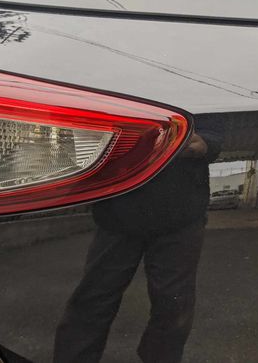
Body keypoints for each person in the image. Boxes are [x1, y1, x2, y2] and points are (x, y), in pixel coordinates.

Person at [54, 115, 224, 363]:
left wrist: (205, 142)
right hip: (119, 210)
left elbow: (216, 127)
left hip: (180, 213)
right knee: (95, 296)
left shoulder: (201, 94)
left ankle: (160, 357)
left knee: (173, 303)